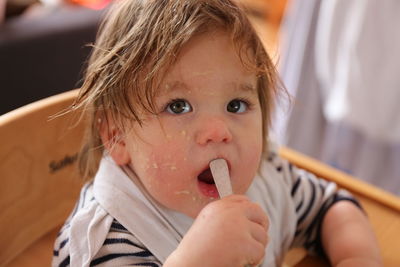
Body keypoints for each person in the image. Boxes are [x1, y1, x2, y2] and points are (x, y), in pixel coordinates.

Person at [52, 0, 381, 266]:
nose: (218, 131)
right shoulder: (106, 241)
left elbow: (332, 206)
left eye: (236, 105)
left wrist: (357, 256)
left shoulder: (266, 179)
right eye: (178, 106)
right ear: (117, 135)